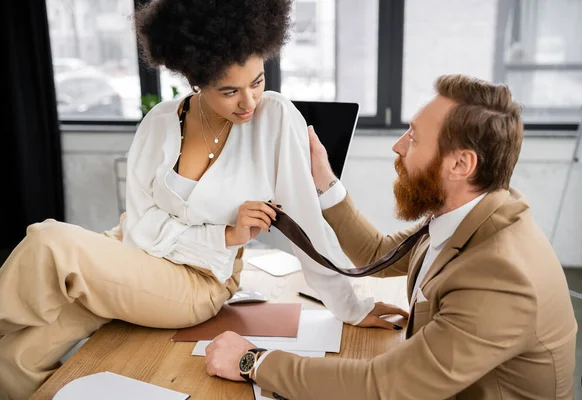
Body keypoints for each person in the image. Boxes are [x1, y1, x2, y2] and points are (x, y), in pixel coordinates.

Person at [0, 1, 399, 398]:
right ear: (195, 77)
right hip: (132, 255)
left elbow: (309, 226)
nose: (249, 102)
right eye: (229, 91)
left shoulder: (275, 118)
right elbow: (139, 227)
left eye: (257, 81)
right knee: (18, 354)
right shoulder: (159, 121)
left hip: (199, 282)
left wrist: (351, 306)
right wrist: (223, 231)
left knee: (49, 241)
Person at [204, 74, 578, 399]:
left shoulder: (499, 276)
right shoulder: (476, 212)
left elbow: (383, 387)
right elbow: (379, 253)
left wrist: (253, 360)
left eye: (414, 138)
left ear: (461, 165)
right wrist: (325, 181)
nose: (398, 146)